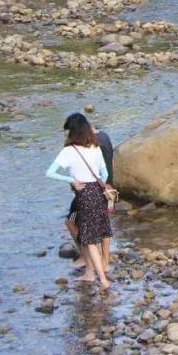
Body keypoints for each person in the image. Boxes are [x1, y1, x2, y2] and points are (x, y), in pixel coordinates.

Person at [46, 113, 113, 291]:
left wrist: (71, 180)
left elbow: (50, 172)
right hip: (98, 192)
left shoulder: (69, 151)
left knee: (89, 240)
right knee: (98, 232)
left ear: (72, 132)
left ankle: (102, 279)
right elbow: (104, 174)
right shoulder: (96, 147)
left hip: (83, 195)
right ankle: (92, 272)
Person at [64, 117, 113, 273]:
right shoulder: (103, 138)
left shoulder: (88, 145)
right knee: (104, 225)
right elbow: (105, 169)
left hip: (89, 191)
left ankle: (88, 257)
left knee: (71, 222)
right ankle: (105, 261)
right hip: (107, 188)